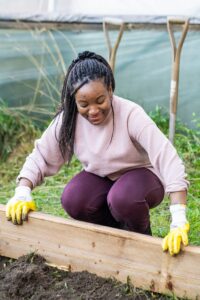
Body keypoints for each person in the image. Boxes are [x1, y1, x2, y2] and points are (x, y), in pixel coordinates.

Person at [6, 51, 190, 256]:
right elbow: (41, 155)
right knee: (74, 198)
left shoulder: (130, 114)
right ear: (74, 101)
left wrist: (178, 218)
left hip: (143, 177)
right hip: (102, 178)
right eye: (84, 104)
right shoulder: (69, 119)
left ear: (110, 90)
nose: (93, 110)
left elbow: (168, 158)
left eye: (100, 100)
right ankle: (114, 240)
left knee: (123, 198)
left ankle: (142, 243)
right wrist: (22, 192)